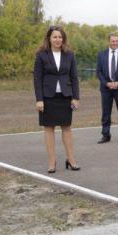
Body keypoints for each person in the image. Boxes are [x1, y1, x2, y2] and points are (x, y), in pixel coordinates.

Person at [34, 25, 80, 173]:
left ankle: (71, 159)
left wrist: (76, 97)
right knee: (49, 129)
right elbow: (37, 79)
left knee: (66, 128)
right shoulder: (41, 55)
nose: (58, 39)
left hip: (65, 97)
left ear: (63, 39)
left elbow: (74, 77)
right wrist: (39, 99)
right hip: (47, 97)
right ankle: (52, 162)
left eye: (60, 37)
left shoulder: (69, 55)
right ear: (49, 38)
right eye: (55, 37)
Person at [96, 32, 118, 143]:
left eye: (116, 41)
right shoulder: (101, 55)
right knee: (106, 113)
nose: (114, 43)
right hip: (106, 89)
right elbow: (98, 72)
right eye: (112, 41)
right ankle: (106, 135)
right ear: (109, 41)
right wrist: (106, 83)